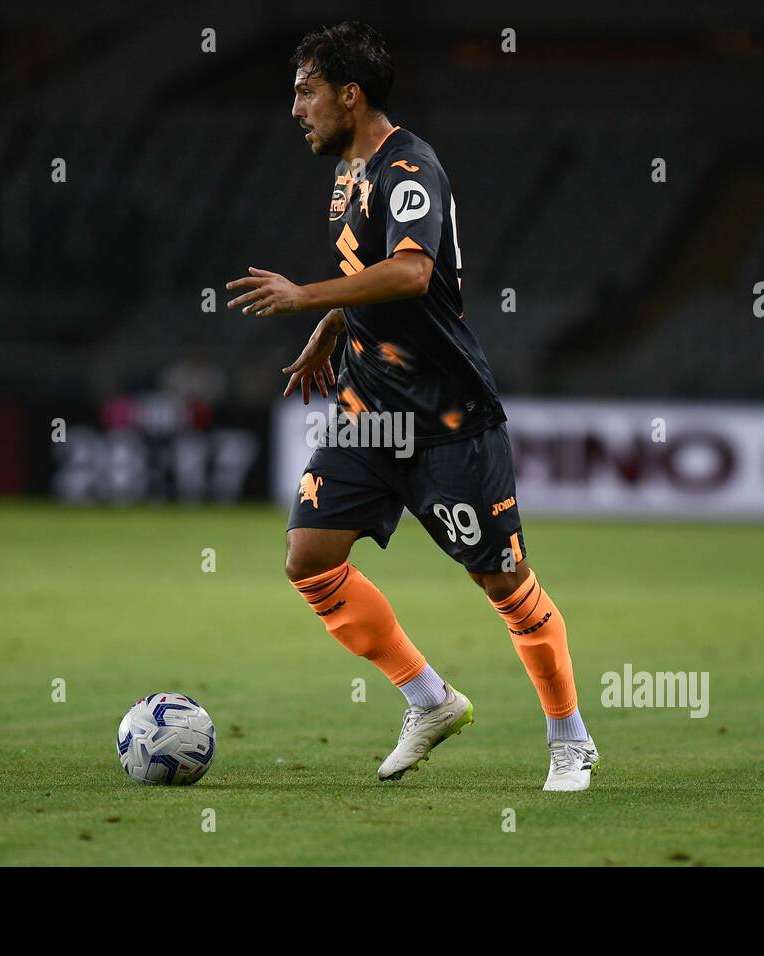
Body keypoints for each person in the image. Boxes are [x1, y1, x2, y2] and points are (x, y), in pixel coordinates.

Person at [225, 21, 598, 790]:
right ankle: (428, 700)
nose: (296, 109)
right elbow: (370, 276)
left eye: (307, 92)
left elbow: (410, 275)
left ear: (350, 94)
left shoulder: (409, 167)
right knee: (310, 558)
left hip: (447, 418)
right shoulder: (345, 175)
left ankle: (571, 739)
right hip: (369, 408)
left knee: (503, 584)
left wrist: (305, 298)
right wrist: (334, 323)